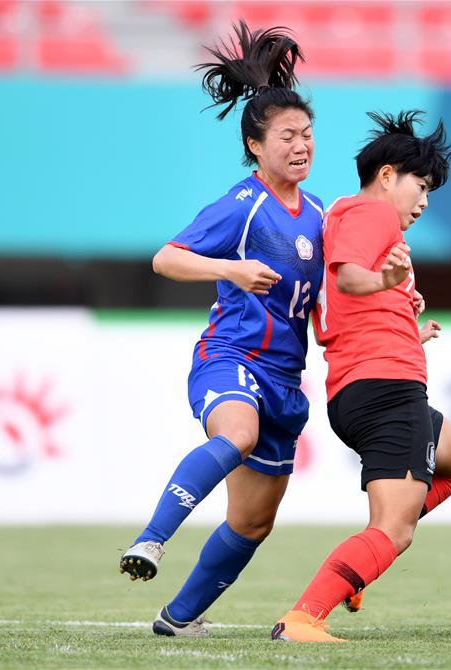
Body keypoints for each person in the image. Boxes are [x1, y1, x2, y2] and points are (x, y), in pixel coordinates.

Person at [118, 20, 325, 638]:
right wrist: (230, 269)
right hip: (232, 356)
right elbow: (167, 258)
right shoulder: (242, 205)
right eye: (287, 135)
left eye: (307, 134)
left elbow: (325, 299)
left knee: (254, 521)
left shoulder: (319, 214)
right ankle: (152, 538)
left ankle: (178, 619)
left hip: (286, 379)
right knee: (237, 432)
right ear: (256, 145)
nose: (302, 145)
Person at [271, 111, 451, 643]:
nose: (424, 201)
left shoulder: (342, 214)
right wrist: (384, 281)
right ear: (387, 175)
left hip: (360, 385)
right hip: (386, 388)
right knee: (395, 530)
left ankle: (361, 563)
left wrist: (407, 326)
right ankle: (304, 618)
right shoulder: (373, 213)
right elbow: (351, 278)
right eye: (421, 186)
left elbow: (345, 296)